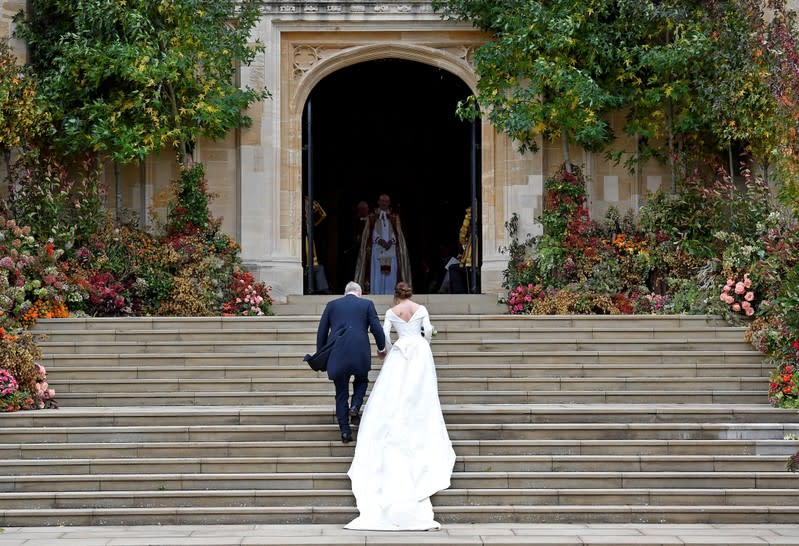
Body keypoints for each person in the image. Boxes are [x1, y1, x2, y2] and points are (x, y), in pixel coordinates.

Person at [345, 282, 456, 531]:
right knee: (420, 389)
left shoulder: (392, 312)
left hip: (400, 350)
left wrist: (385, 350)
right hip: (418, 350)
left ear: (396, 295)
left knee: (394, 388)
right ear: (410, 294)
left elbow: (384, 336)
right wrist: (425, 338)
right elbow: (427, 332)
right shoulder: (420, 308)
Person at [315, 281, 386, 443]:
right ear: (359, 293)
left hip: (337, 353)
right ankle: (355, 406)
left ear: (345, 292)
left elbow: (322, 331)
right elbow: (376, 328)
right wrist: (382, 348)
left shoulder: (332, 305)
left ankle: (345, 432)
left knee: (340, 393)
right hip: (359, 352)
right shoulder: (367, 304)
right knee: (361, 380)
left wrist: (321, 353)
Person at [354, 194, 412, 294]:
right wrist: (379, 240)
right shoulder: (372, 217)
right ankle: (377, 292)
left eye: (386, 201)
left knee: (391, 273)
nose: (384, 203)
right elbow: (369, 233)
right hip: (377, 249)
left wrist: (390, 241)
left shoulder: (394, 217)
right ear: (378, 202)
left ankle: (390, 293)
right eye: (382, 201)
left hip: (391, 248)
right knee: (377, 272)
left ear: (389, 203)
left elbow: (397, 232)